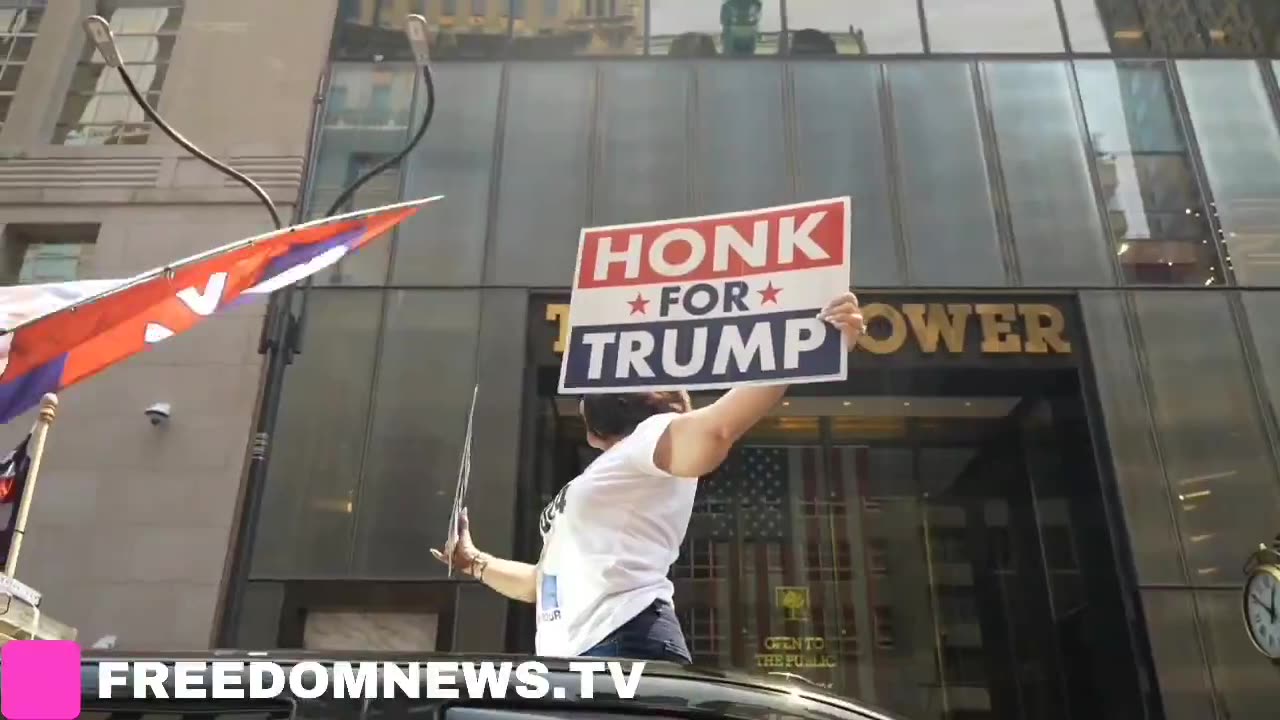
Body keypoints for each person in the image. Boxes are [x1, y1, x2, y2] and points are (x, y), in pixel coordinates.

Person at [432, 290, 864, 662]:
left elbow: (717, 429)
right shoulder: (614, 471)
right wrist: (476, 563)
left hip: (623, 644)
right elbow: (542, 584)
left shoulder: (647, 439)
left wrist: (816, 348)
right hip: (577, 656)